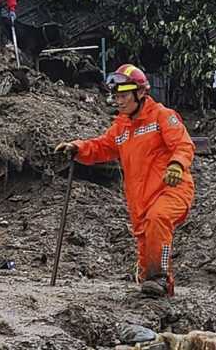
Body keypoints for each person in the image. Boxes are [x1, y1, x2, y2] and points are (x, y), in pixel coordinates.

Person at [54, 64, 195, 298]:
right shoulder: (122, 127)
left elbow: (183, 144)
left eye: (123, 96)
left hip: (171, 188)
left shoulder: (162, 116)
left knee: (158, 219)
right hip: (140, 198)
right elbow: (102, 146)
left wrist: (177, 165)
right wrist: (78, 147)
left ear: (140, 93)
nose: (118, 101)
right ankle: (157, 294)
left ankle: (159, 278)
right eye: (115, 96)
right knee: (145, 245)